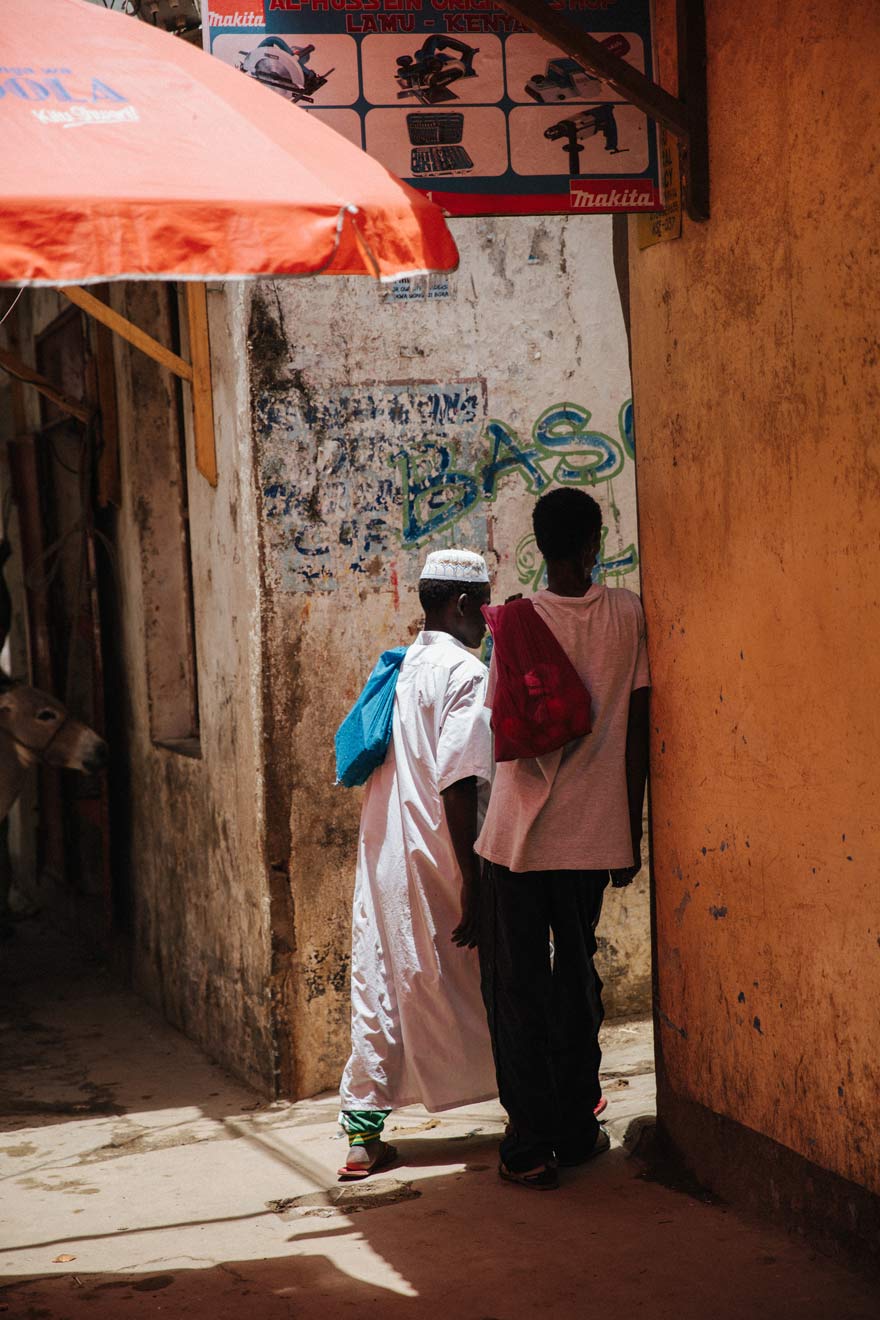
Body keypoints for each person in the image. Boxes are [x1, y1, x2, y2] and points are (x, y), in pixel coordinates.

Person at [466, 488, 650, 1190]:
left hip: (515, 842)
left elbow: (501, 728)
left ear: (540, 548)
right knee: (576, 980)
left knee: (516, 986)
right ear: (591, 544)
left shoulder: (515, 621)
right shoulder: (628, 615)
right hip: (592, 841)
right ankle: (576, 1124)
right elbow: (636, 728)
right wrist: (627, 832)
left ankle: (527, 1139)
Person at [337, 548, 497, 1179]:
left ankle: (361, 1137)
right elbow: (459, 783)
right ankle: (540, 1101)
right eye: (483, 606)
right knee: (497, 982)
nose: (487, 620)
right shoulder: (465, 673)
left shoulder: (402, 667)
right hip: (439, 857)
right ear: (461, 604)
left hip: (384, 855)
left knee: (379, 982)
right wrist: (476, 880)